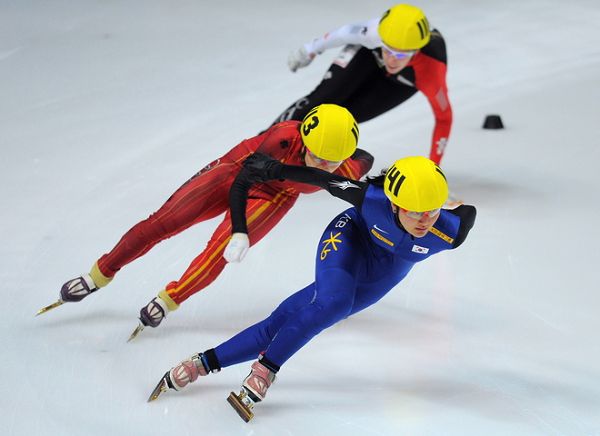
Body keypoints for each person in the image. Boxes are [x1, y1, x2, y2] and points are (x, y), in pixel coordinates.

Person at [148, 154, 476, 422]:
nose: (425, 220)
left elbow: (468, 212)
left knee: (286, 321)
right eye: (415, 211)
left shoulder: (449, 231)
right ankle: (266, 370)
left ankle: (201, 363)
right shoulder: (369, 198)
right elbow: (321, 180)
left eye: (432, 210)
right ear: (392, 204)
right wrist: (273, 170)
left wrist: (445, 206)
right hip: (350, 240)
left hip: (384, 270)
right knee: (333, 303)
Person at [39, 104, 373, 339]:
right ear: (304, 138)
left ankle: (170, 299)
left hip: (275, 196)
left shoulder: (344, 168)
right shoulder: (283, 138)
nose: (323, 166)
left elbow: (365, 164)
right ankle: (101, 273)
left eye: (332, 162)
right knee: (163, 222)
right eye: (316, 156)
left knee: (220, 252)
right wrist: (240, 230)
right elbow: (242, 184)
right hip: (235, 173)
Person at [271, 3, 452, 165]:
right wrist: (310, 50)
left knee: (346, 118)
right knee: (322, 98)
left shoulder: (431, 72)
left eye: (401, 55)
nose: (392, 60)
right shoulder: (374, 34)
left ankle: (304, 154)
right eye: (388, 50)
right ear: (381, 41)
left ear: (416, 51)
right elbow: (342, 34)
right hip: (368, 55)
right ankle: (265, 139)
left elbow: (444, 118)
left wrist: (433, 167)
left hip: (402, 83)